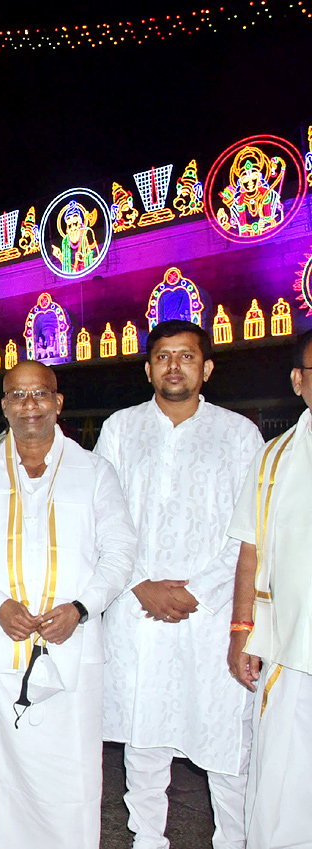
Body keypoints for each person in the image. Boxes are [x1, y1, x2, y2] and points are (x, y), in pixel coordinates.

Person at [0, 360, 136, 849]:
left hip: (73, 645)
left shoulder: (94, 471)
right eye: (18, 396)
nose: (30, 405)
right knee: (0, 774)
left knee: (72, 774)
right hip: (1, 641)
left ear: (58, 402)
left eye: (40, 394)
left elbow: (120, 552)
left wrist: (81, 607)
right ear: (5, 405)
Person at [97, 320, 261, 849]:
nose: (174, 366)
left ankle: (233, 840)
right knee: (144, 737)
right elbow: (104, 517)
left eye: (186, 356)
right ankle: (148, 839)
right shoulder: (120, 429)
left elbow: (249, 529)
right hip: (138, 609)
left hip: (210, 615)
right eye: (163, 357)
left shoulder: (238, 435)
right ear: (148, 369)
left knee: (223, 734)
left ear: (206, 368)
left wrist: (199, 590)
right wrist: (141, 584)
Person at [226, 328, 312, 847]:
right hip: (290, 647)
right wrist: (241, 630)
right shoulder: (275, 458)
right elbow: (249, 549)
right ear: (299, 381)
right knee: (285, 779)